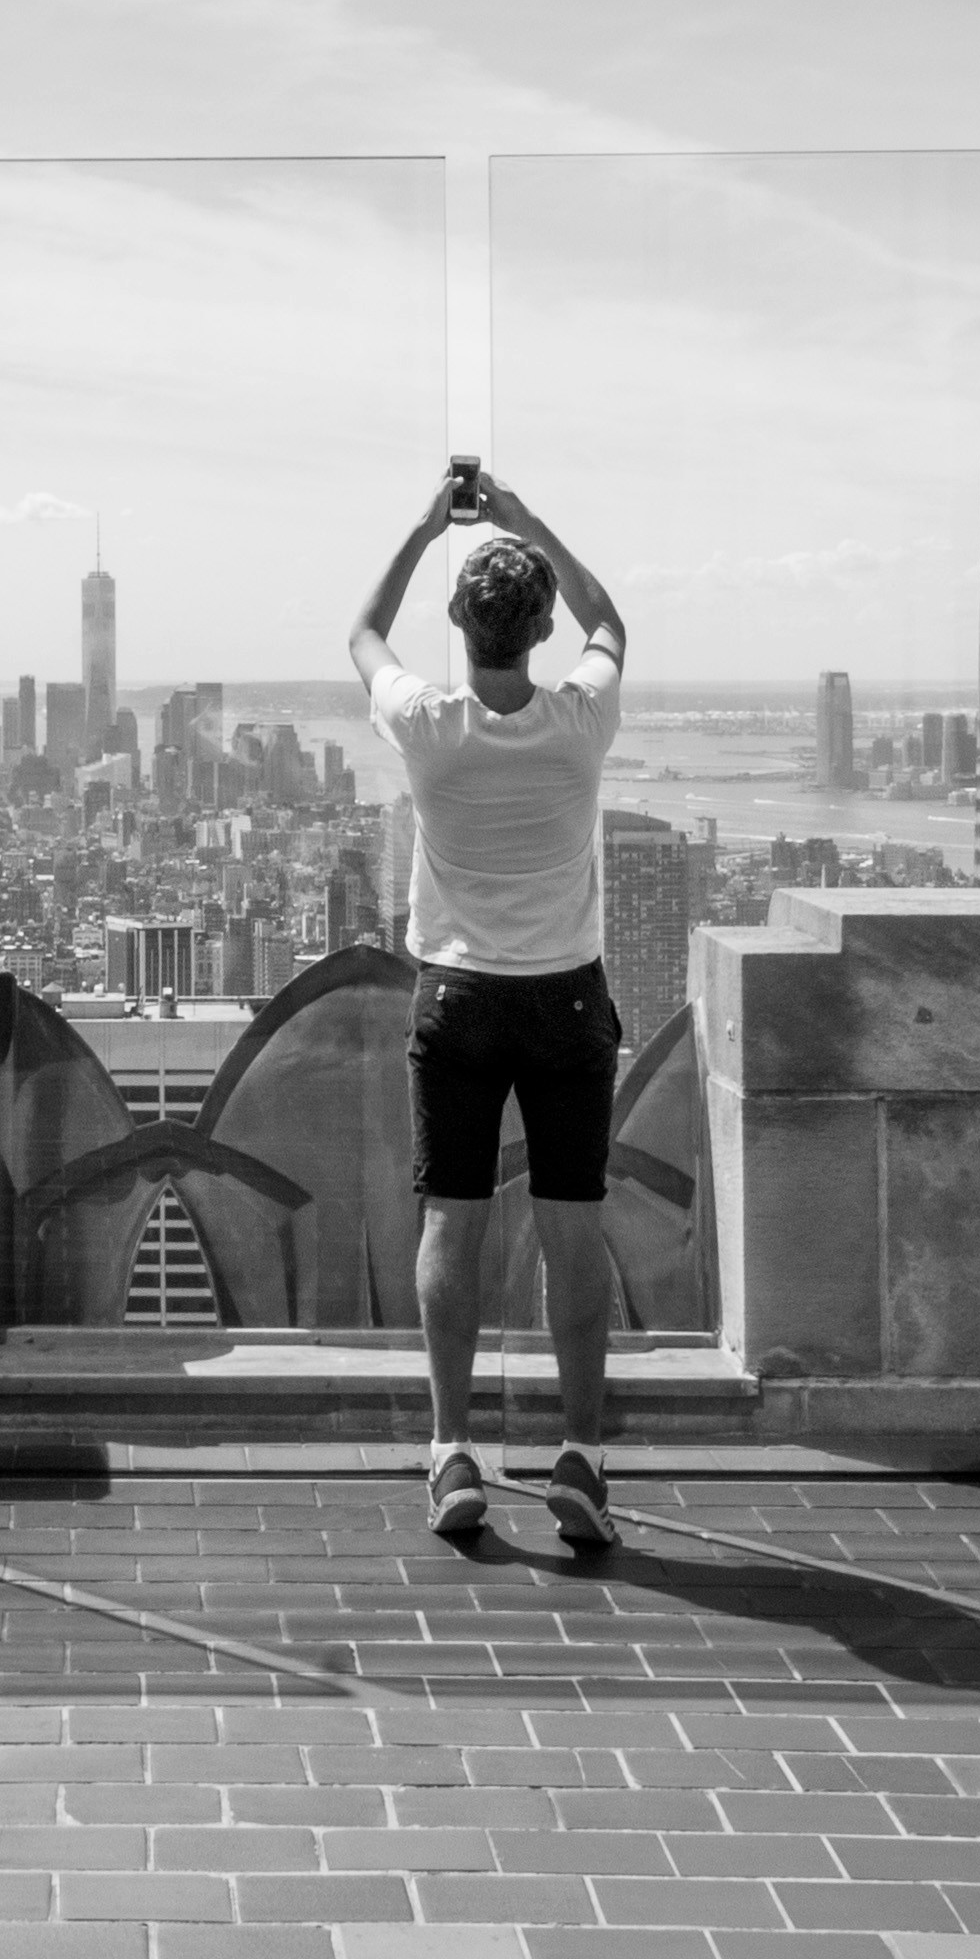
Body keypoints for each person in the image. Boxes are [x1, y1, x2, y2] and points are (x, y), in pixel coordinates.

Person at [347, 461, 629, 1548]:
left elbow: (365, 634)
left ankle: (452, 1451)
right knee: (573, 1231)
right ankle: (581, 1458)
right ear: (540, 625)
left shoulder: (427, 725)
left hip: (457, 997)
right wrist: (521, 519)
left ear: (463, 629)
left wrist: (430, 527)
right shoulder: (579, 719)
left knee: (450, 1224)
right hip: (564, 1001)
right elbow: (610, 619)